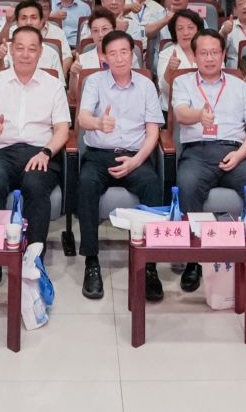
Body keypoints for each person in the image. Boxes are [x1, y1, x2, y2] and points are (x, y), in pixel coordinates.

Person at [0, 26, 71, 301]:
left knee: (35, 185)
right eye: (20, 48)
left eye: (32, 49)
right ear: (11, 50)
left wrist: (46, 153)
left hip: (40, 152)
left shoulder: (52, 84)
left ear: (40, 52)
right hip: (3, 153)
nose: (25, 54)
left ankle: (33, 260)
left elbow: (62, 129)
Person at [169, 30, 246, 293]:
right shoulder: (183, 82)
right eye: (203, 53)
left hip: (234, 152)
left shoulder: (238, 86)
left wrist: (240, 155)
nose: (209, 58)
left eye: (214, 52)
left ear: (223, 54)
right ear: (194, 56)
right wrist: (199, 116)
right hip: (197, 153)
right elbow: (181, 114)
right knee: (187, 185)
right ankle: (193, 260)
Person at [73, 29, 167, 302]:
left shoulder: (146, 85)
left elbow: (153, 132)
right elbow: (83, 118)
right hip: (99, 154)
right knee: (86, 184)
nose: (119, 58)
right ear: (104, 57)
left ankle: (149, 265)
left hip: (135, 155)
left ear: (133, 54)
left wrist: (136, 161)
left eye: (124, 52)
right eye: (112, 53)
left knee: (152, 185)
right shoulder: (94, 82)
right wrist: (98, 123)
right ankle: (92, 262)